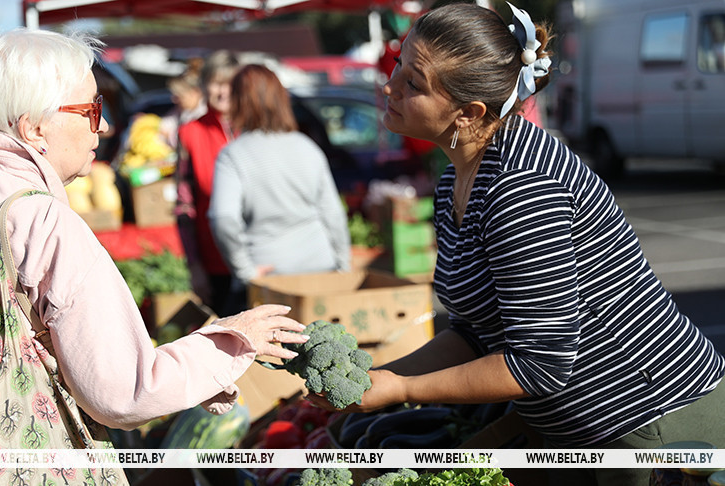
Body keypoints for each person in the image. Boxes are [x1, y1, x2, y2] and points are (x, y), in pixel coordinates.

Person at [0, 28, 308, 485]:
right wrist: (231, 339)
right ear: (34, 128)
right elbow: (123, 391)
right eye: (91, 109)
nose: (105, 124)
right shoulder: (42, 222)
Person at [307, 4, 725, 486]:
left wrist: (403, 387)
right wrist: (376, 378)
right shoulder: (457, 181)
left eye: (413, 83)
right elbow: (474, 333)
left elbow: (538, 364)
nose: (389, 86)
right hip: (583, 434)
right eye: (399, 65)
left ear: (468, 114)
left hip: (653, 431)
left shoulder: (522, 189)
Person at [209, 64, 351, 301]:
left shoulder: (233, 155)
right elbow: (333, 214)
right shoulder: (307, 147)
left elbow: (222, 219)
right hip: (320, 268)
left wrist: (245, 271)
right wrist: (343, 266)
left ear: (239, 101)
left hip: (268, 278)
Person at [175, 49, 241, 316]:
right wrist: (195, 266)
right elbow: (183, 205)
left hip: (262, 256)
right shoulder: (190, 133)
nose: (223, 91)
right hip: (215, 259)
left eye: (230, 83)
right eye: (216, 82)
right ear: (203, 86)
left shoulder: (254, 129)